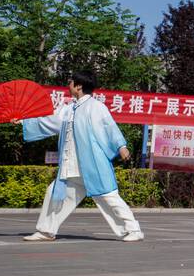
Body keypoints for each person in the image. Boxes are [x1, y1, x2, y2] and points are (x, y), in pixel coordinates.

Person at [20, 70, 143, 242]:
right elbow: (48, 121)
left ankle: (134, 230)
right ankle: (46, 231)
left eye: (71, 82)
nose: (68, 85)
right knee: (55, 193)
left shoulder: (96, 107)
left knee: (109, 197)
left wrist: (121, 146)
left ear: (79, 86)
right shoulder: (69, 109)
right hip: (72, 166)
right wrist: (22, 121)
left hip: (92, 165)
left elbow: (109, 127)